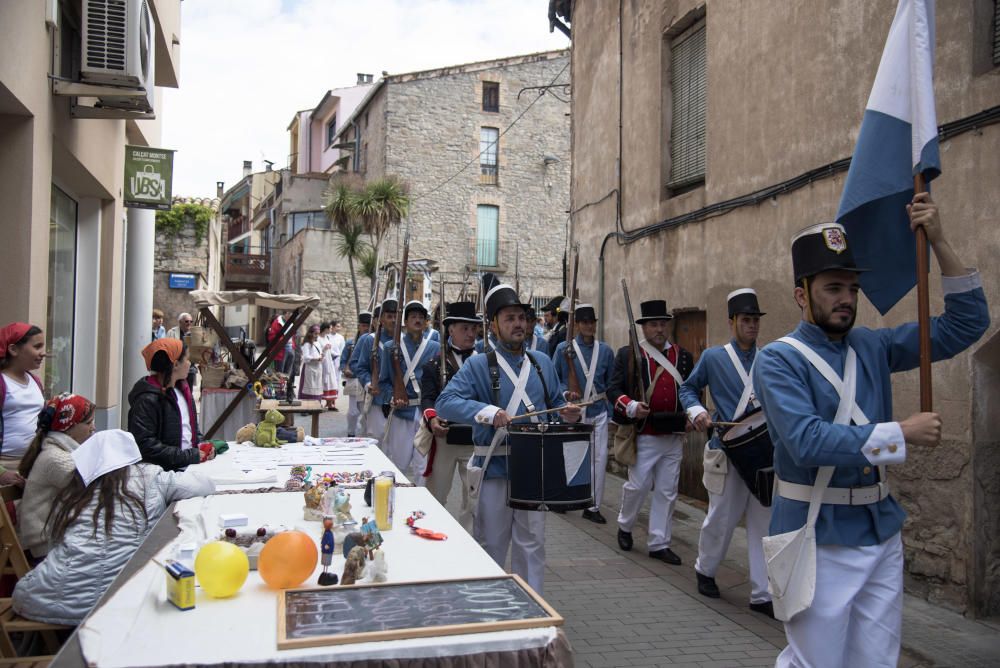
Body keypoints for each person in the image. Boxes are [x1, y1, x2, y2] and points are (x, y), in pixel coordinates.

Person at [752, 200, 989, 667]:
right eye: (833, 287)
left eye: (853, 288)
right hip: (815, 536)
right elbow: (807, 440)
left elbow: (968, 324)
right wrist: (900, 433)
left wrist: (939, 239)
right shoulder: (779, 359)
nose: (846, 298)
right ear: (802, 294)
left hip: (880, 532)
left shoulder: (872, 344)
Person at [436, 283, 581, 594]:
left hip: (533, 469)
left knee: (532, 544)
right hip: (493, 470)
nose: (518, 324)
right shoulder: (478, 364)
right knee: (491, 545)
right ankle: (490, 610)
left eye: (521, 318)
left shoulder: (542, 363)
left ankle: (533, 609)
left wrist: (567, 414)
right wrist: (488, 412)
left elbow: (554, 404)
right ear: (494, 326)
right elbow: (445, 403)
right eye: (509, 318)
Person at [12, 429, 215, 625]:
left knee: (26, 587)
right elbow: (203, 485)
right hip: (122, 595)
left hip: (54, 598)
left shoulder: (79, 488)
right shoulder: (150, 476)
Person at [679, 288, 773, 616]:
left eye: (755, 320)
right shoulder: (714, 357)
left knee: (765, 524)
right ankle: (705, 569)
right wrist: (696, 412)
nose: (752, 326)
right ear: (732, 322)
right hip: (728, 450)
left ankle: (764, 593)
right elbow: (688, 387)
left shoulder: (770, 358)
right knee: (722, 518)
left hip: (763, 453)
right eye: (746, 320)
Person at [608, 299, 694, 565]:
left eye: (663, 324)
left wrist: (692, 413)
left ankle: (659, 542)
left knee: (667, 491)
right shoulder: (628, 354)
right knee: (638, 485)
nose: (659, 329)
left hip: (674, 433)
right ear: (644, 328)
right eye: (654, 324)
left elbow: (692, 390)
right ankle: (625, 525)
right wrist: (631, 406)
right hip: (644, 433)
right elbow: (613, 389)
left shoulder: (683, 356)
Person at [419, 301, 480, 526]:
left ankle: (467, 542)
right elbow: (427, 397)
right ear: (451, 329)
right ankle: (432, 537)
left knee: (473, 499)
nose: (471, 333)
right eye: (465, 328)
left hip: (474, 438)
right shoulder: (433, 364)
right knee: (436, 496)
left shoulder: (484, 363)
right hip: (444, 438)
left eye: (474, 328)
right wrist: (432, 418)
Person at [553, 304, 615, 524]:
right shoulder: (563, 348)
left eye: (592, 322)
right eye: (585, 322)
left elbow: (610, 383)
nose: (589, 326)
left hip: (598, 410)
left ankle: (593, 505)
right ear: (577, 325)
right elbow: (556, 380)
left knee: (599, 459)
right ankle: (567, 497)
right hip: (574, 410)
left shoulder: (605, 351)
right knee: (572, 456)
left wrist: (610, 412)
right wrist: (565, 392)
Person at [17, 393, 96, 559]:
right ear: (70, 427)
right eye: (88, 423)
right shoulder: (56, 459)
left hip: (58, 537)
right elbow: (94, 487)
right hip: (46, 544)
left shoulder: (61, 452)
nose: (93, 428)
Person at [127, 338, 216, 471]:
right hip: (162, 474)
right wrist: (187, 456)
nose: (189, 363)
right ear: (175, 365)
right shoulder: (146, 399)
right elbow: (146, 445)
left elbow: (191, 430)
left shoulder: (183, 391)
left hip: (188, 467)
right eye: (187, 359)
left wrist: (201, 445)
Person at [380, 301, 439, 480]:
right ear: (405, 321)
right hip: (402, 413)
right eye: (413, 317)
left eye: (421, 317)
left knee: (423, 467)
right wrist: (393, 397)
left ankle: (420, 503)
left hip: (425, 413)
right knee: (399, 464)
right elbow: (383, 382)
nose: (418, 320)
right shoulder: (391, 347)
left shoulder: (434, 348)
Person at [0, 322, 46, 486]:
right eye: (37, 346)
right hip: (5, 465)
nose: (43, 353)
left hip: (30, 463)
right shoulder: (2, 382)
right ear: (13, 350)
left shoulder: (35, 381)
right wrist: (2, 472)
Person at [351, 300, 397, 443]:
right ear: (381, 319)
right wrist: (368, 383)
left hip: (399, 401)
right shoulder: (369, 340)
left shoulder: (404, 340)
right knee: (376, 440)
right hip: (377, 399)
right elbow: (359, 366)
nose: (394, 320)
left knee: (395, 446)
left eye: (396, 316)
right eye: (389, 316)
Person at [342, 312, 371, 437]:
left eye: (368, 326)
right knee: (353, 411)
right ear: (359, 326)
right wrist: (345, 369)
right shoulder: (350, 343)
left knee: (367, 411)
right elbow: (343, 361)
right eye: (364, 325)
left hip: (367, 381)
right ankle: (351, 433)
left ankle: (365, 433)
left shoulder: (372, 341)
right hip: (354, 380)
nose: (366, 328)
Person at [298, 326, 325, 400]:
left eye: (318, 334)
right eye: (315, 334)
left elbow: (320, 353)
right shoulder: (307, 344)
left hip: (318, 368)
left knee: (317, 386)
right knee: (309, 386)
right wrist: (316, 358)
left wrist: (322, 355)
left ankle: (317, 403)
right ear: (311, 333)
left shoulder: (318, 343)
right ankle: (308, 404)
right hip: (309, 369)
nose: (317, 336)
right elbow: (306, 357)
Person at [318, 322, 338, 408]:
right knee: (322, 381)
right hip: (322, 362)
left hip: (329, 362)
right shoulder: (318, 338)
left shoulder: (327, 337)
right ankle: (318, 402)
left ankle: (329, 403)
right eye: (329, 328)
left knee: (331, 381)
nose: (330, 330)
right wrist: (324, 348)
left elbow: (330, 350)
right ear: (325, 329)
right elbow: (318, 350)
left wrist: (336, 354)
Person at [329, 320, 346, 408]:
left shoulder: (340, 338)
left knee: (336, 381)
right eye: (337, 326)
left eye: (339, 326)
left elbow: (343, 350)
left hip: (337, 361)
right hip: (328, 361)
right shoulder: (327, 336)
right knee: (328, 381)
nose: (339, 328)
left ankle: (333, 401)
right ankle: (327, 401)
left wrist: (342, 363)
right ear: (332, 326)